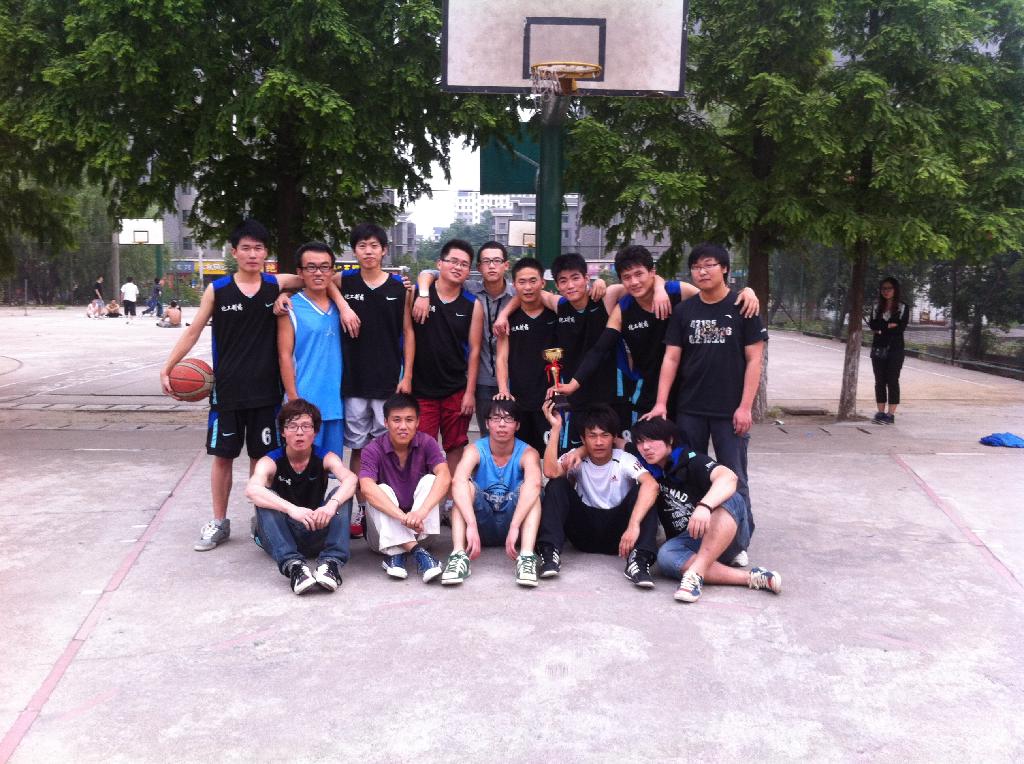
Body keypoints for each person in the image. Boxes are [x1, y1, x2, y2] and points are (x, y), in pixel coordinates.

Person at [160, 219, 286, 552]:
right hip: (227, 391)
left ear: (266, 253)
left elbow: (316, 278)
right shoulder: (218, 290)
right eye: (246, 248)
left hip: (266, 391)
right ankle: (219, 521)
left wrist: (287, 295)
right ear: (234, 252)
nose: (252, 254)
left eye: (258, 248)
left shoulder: (275, 285)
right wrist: (168, 367)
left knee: (262, 460)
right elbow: (192, 332)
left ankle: (262, 519)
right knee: (222, 457)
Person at [644, 243, 767, 546]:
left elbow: (755, 361)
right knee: (689, 473)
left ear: (725, 268)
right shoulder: (684, 311)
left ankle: (738, 542)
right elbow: (671, 358)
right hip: (691, 409)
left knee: (734, 477)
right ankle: (694, 537)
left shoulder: (743, 307)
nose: (702, 271)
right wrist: (661, 403)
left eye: (709, 265)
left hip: (729, 411)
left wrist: (745, 407)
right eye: (697, 267)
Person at [555, 245, 759, 426]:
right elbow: (599, 349)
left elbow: (713, 296)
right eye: (627, 277)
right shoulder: (623, 309)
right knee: (650, 450)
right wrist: (573, 383)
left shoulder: (678, 291)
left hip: (688, 391)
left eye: (639, 274)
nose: (634, 282)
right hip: (648, 392)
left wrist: (747, 291)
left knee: (687, 452)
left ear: (652, 272)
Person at [628, 417, 781, 603]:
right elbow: (615, 445)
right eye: (640, 442)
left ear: (670, 440)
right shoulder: (648, 470)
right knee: (666, 556)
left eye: (652, 440)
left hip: (726, 534)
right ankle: (752, 577)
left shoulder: (691, 460)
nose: (645, 447)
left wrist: (705, 506)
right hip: (692, 542)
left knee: (732, 497)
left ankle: (695, 574)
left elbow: (729, 477)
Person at [338, 223, 415, 536]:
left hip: (388, 381)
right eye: (362, 246)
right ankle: (361, 508)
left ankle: (388, 506)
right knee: (358, 449)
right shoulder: (344, 281)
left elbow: (408, 331)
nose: (368, 251)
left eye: (374, 245)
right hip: (355, 382)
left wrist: (407, 375)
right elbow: (320, 282)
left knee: (389, 448)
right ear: (354, 251)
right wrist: (343, 305)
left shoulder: (399, 288)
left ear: (384, 250)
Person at [537, 401, 661, 587]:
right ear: (583, 438)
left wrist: (633, 525)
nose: (599, 442)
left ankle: (640, 561)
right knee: (557, 484)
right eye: (592, 436)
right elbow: (550, 472)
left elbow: (652, 485)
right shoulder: (576, 457)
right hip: (584, 531)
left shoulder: (625, 459)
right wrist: (555, 429)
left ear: (614, 437)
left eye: (605, 435)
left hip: (620, 536)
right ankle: (549, 553)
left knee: (644, 491)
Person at [245, 399, 357, 595]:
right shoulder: (270, 461)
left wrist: (330, 506)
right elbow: (252, 490)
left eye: (306, 426)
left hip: (315, 526)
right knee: (264, 497)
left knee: (342, 495)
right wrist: (292, 509)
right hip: (283, 532)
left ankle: (331, 563)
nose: (299, 432)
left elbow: (351, 479)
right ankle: (294, 566)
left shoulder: (326, 457)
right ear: (282, 432)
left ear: (315, 432)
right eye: (292, 426)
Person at [415, 241, 516, 433]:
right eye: (486, 261)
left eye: (496, 261)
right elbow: (429, 273)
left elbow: (538, 294)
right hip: (482, 379)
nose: (492, 266)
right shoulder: (469, 289)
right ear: (478, 267)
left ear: (506, 265)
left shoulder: (517, 294)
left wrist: (504, 313)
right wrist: (424, 294)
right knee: (490, 435)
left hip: (516, 377)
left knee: (519, 434)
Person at [440, 399, 543, 587]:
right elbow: (458, 480)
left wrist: (515, 526)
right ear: (487, 423)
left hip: (515, 527)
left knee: (531, 491)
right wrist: (471, 525)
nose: (502, 424)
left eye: (508, 419)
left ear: (517, 425)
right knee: (463, 488)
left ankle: (526, 556)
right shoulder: (475, 449)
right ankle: (458, 555)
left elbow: (535, 483)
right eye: (496, 418)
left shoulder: (528, 452)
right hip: (481, 526)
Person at [358, 393, 451, 582]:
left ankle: (397, 555)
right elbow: (366, 488)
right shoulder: (372, 449)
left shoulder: (427, 443)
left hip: (421, 532)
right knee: (380, 490)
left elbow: (445, 476)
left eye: (409, 420)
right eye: (396, 420)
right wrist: (402, 518)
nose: (403, 426)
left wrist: (419, 513)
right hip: (380, 538)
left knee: (431, 480)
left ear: (418, 422)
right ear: (386, 422)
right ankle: (419, 554)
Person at [410, 239, 483, 475]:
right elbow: (407, 334)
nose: (458, 267)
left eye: (464, 264)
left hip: (455, 388)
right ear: (439, 263)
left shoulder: (472, 304)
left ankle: (452, 494)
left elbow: (474, 351)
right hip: (421, 388)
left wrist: (470, 393)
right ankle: (426, 495)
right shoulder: (418, 294)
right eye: (453, 261)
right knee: (422, 448)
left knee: (456, 447)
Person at [278, 242, 345, 457]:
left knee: (331, 467)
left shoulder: (343, 306)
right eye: (311, 267)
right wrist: (293, 399)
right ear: (300, 272)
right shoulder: (290, 307)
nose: (318, 273)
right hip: (304, 402)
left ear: (332, 271)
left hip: (336, 403)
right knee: (300, 466)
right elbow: (284, 355)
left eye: (324, 267)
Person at [869, 276, 909, 425]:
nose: (886, 291)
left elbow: (900, 328)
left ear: (895, 290)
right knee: (879, 381)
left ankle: (890, 415)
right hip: (878, 349)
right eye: (883, 288)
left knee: (892, 380)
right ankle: (880, 412)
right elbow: (873, 325)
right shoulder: (876, 307)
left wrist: (881, 329)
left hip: (895, 349)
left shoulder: (903, 307)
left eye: (889, 288)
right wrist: (888, 326)